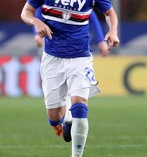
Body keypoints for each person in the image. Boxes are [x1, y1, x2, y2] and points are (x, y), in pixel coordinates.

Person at [21, 0, 119, 157]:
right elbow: (26, 11)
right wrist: (36, 22)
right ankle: (63, 123)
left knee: (80, 107)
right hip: (52, 59)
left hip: (80, 58)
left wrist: (112, 31)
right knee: (54, 117)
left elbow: (109, 13)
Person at [33, 9, 110, 137]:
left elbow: (91, 14)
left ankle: (69, 116)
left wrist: (101, 39)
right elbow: (36, 9)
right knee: (53, 115)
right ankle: (60, 119)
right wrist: (36, 32)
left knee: (74, 87)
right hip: (52, 50)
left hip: (76, 52)